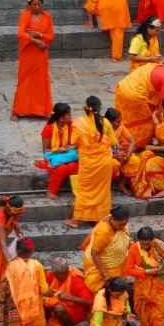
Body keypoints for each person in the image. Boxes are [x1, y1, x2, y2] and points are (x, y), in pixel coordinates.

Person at [64, 97, 117, 228]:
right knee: (102, 190)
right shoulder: (105, 122)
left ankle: (76, 220)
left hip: (88, 163)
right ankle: (99, 219)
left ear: (85, 108)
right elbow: (114, 142)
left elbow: (74, 142)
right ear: (99, 108)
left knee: (85, 190)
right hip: (104, 162)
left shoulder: (78, 123)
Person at [114, 57, 164, 150]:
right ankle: (134, 144)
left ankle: (118, 139)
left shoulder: (155, 64)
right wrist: (161, 123)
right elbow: (162, 104)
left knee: (123, 118)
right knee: (146, 120)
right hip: (135, 96)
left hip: (121, 88)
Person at [12, 0, 55, 121]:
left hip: (41, 54)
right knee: (24, 81)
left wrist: (39, 35)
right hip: (28, 53)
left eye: (39, 4)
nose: (37, 7)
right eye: (34, 4)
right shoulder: (25, 15)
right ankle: (18, 110)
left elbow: (51, 36)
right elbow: (21, 34)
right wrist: (37, 41)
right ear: (29, 5)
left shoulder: (47, 16)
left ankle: (40, 110)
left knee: (40, 82)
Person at [132, 97, 164, 199]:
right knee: (144, 155)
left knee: (150, 164)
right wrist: (153, 116)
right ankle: (149, 186)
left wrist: (153, 147)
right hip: (162, 153)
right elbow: (160, 127)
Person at [82, 205, 132, 294]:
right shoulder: (103, 232)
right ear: (112, 220)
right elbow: (95, 253)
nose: (123, 227)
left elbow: (124, 236)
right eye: (121, 225)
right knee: (103, 293)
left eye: (125, 224)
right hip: (102, 267)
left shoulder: (122, 222)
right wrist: (105, 275)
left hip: (117, 264)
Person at [43, 258, 92, 326]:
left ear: (66, 271)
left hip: (74, 310)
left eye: (58, 275)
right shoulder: (52, 274)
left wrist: (69, 297)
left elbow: (88, 302)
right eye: (54, 274)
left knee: (58, 308)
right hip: (57, 305)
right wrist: (52, 294)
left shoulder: (76, 281)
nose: (55, 277)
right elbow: (42, 287)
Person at [38, 103, 79, 201]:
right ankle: (51, 191)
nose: (71, 117)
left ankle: (78, 190)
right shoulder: (48, 128)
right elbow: (45, 150)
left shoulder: (71, 126)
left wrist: (69, 147)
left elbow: (78, 144)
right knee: (62, 168)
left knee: (73, 166)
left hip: (68, 156)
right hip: (53, 157)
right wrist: (58, 150)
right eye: (68, 115)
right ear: (61, 117)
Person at [104, 108, 141, 196]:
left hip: (118, 154)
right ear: (110, 122)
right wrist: (116, 156)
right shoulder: (101, 130)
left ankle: (121, 184)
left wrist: (127, 155)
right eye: (118, 122)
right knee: (115, 164)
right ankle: (105, 189)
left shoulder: (120, 127)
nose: (120, 123)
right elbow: (100, 153)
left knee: (135, 160)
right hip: (106, 156)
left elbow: (132, 141)